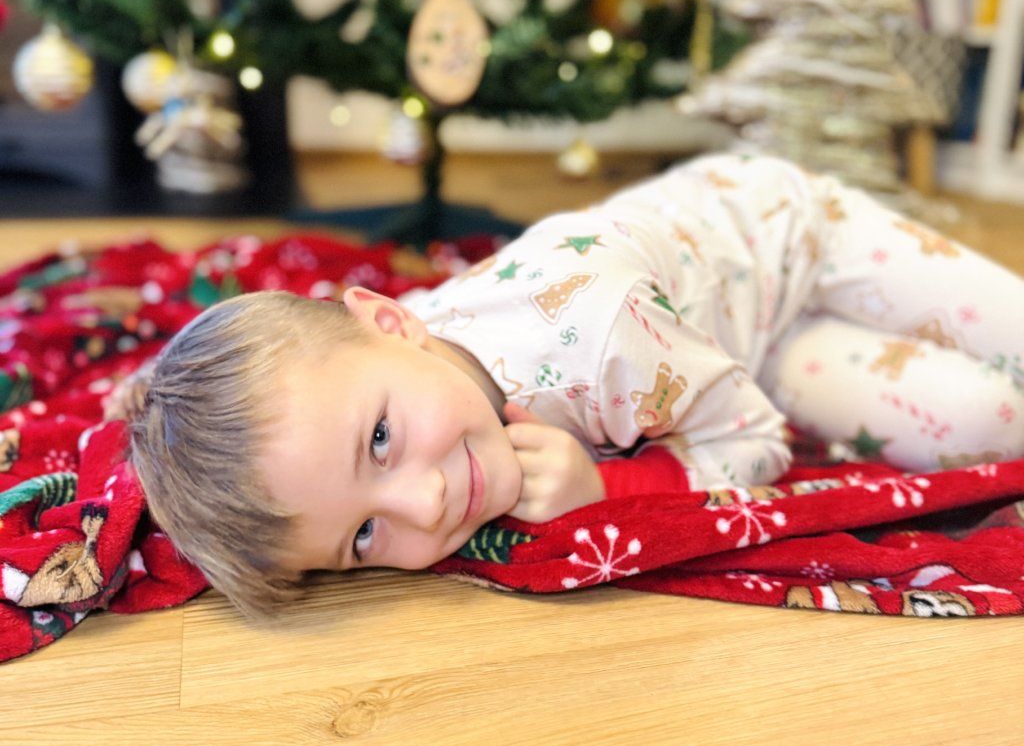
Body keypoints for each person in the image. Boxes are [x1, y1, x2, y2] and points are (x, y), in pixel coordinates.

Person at [122, 151, 1024, 620]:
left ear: (393, 321)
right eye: (363, 535)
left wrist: (618, 484)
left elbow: (757, 442)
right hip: (749, 345)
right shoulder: (377, 364)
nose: (426, 504)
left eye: (381, 441)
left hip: (790, 230)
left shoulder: (600, 334)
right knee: (994, 418)